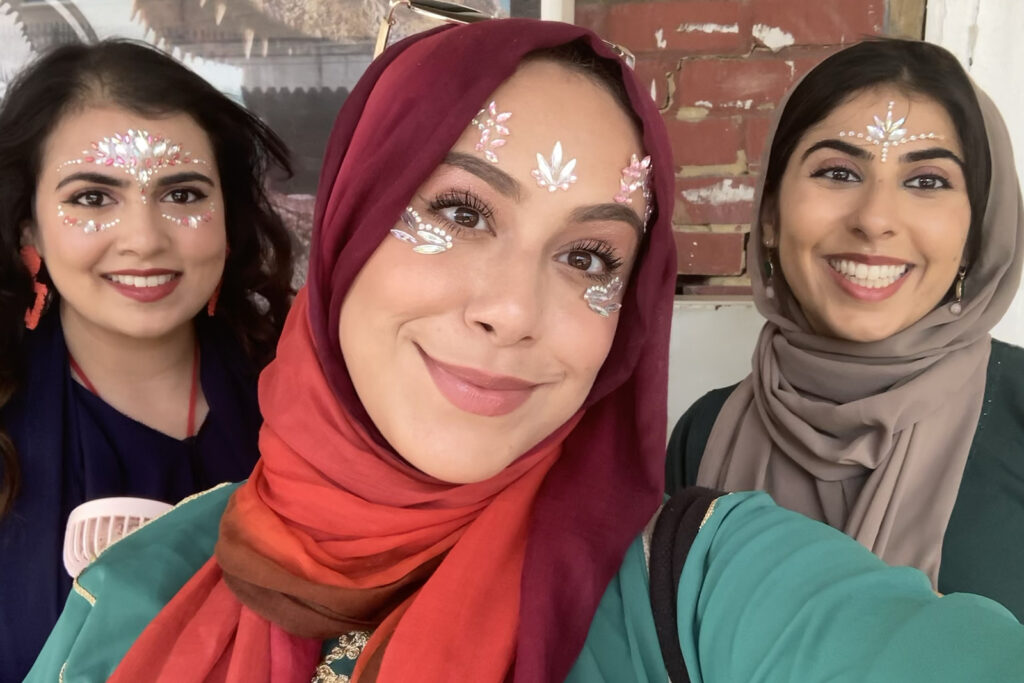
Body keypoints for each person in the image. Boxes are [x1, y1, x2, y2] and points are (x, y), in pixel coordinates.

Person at [28, 21, 1024, 683]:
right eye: (461, 211)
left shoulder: (688, 575)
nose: (514, 310)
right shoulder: (148, 576)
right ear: (345, 233)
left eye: (590, 256)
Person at [666, 37, 1024, 619]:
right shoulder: (704, 433)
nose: (875, 220)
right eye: (837, 172)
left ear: (974, 235)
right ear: (771, 215)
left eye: (927, 181)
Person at [0, 40, 295, 679]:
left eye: (183, 195)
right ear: (28, 227)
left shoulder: (308, 387)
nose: (144, 239)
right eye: (92, 198)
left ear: (227, 214)